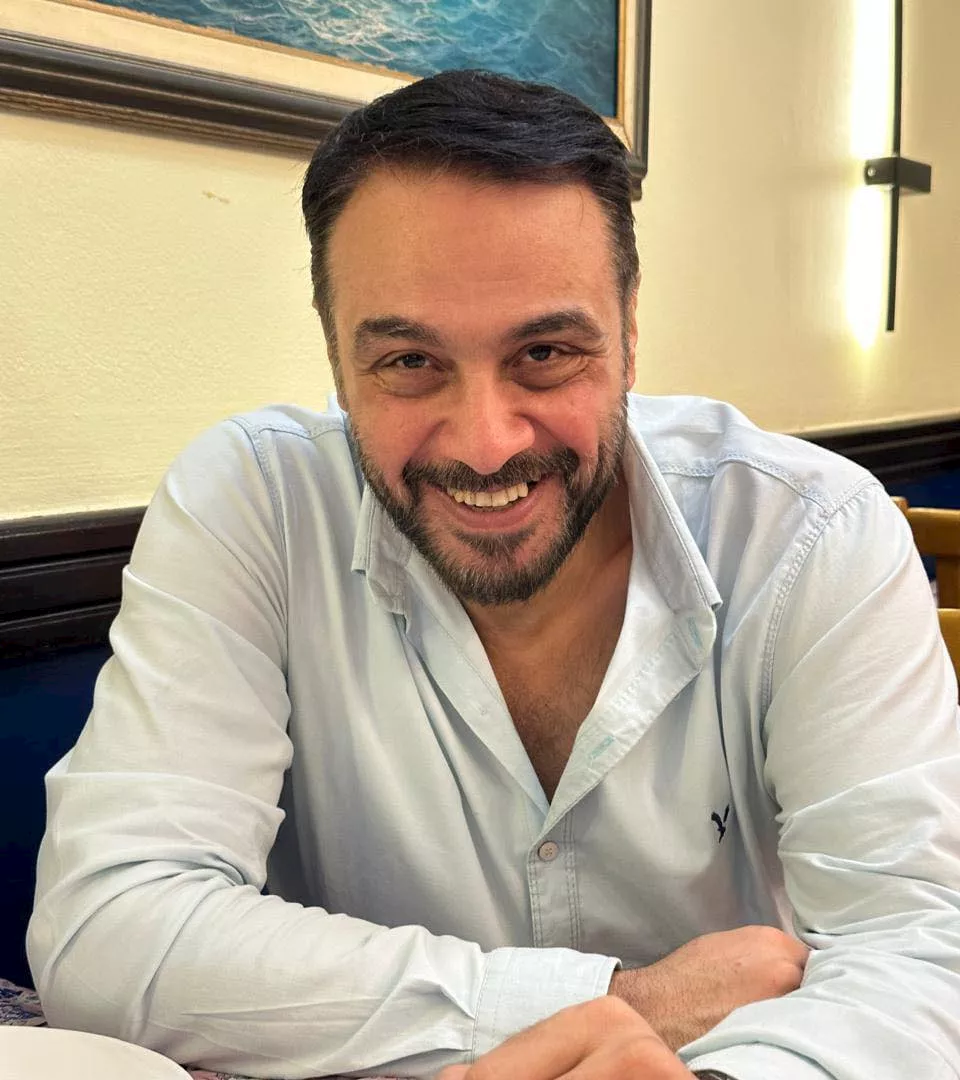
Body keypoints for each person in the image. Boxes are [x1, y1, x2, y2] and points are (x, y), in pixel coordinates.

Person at [28, 69, 960, 1080]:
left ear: (630, 332)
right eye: (410, 363)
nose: (484, 443)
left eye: (546, 353)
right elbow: (110, 930)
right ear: (337, 358)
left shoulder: (811, 533)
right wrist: (619, 1004)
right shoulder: (255, 504)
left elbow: (919, 949)